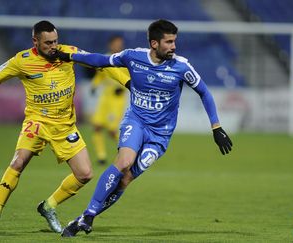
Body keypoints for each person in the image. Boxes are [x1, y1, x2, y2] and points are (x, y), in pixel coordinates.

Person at [54, 19, 233, 237]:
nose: (173, 46)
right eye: (168, 42)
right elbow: (101, 60)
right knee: (124, 162)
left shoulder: (181, 66)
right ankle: (90, 213)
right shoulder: (132, 57)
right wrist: (70, 56)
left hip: (160, 135)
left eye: (174, 41)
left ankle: (82, 219)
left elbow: (204, 92)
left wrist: (216, 127)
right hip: (135, 121)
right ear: (154, 43)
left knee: (126, 179)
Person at [0, 20, 129, 233]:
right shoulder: (22, 61)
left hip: (65, 127)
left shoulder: (68, 54)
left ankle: (48, 206)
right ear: (35, 41)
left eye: (56, 41)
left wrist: (128, 83)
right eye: (48, 43)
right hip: (37, 122)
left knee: (85, 174)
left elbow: (101, 65)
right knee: (18, 162)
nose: (54, 46)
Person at [89, 35, 130, 165]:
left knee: (112, 132)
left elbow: (131, 78)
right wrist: (94, 86)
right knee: (96, 127)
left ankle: (130, 151)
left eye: (120, 43)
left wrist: (123, 88)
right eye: (117, 43)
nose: (119, 46)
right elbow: (100, 76)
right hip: (105, 98)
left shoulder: (125, 60)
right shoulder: (105, 59)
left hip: (117, 100)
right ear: (110, 44)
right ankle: (101, 157)